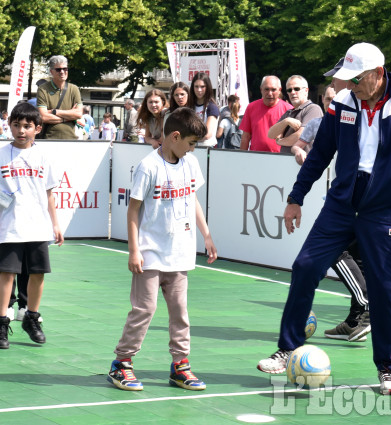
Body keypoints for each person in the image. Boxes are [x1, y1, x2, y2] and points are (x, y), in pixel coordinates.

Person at [256, 43, 391, 396]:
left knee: (383, 291)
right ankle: (287, 348)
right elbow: (321, 153)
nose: (350, 86)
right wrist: (296, 198)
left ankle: (388, 368)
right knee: (305, 266)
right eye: (347, 79)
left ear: (378, 74)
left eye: (356, 79)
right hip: (339, 206)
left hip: (383, 210)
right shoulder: (342, 103)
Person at [107, 107, 217, 392]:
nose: (193, 149)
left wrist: (206, 235)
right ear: (176, 136)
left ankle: (180, 366)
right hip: (150, 253)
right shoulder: (148, 167)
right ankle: (122, 363)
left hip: (180, 253)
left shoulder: (190, 163)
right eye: (191, 143)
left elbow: (192, 200)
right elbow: (133, 212)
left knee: (180, 311)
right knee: (145, 309)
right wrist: (134, 251)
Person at [288, 81, 370, 342]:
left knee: (336, 250)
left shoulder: (377, 113)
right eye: (329, 97)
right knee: (354, 256)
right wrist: (296, 194)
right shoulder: (332, 117)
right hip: (340, 198)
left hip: (363, 202)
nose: (333, 99)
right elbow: (313, 151)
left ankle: (368, 305)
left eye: (337, 94)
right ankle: (358, 316)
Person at [0, 102, 64, 349]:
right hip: (10, 227)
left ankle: (31, 317)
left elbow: (49, 193)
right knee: (7, 275)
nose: (21, 131)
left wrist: (56, 224)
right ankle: (1, 323)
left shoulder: (43, 156)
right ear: (10, 126)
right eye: (16, 125)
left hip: (38, 227)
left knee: (37, 275)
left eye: (27, 126)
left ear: (37, 128)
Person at [268, 75, 323, 154]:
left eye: (296, 89)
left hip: (304, 162)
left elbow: (301, 136)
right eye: (289, 90)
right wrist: (286, 121)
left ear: (306, 90)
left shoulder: (313, 109)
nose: (292, 92)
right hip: (286, 162)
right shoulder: (288, 113)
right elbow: (271, 134)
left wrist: (279, 141)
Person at [239, 76, 293, 152]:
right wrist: (242, 157)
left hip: (280, 158)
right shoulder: (251, 107)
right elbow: (246, 137)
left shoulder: (289, 109)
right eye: (266, 89)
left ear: (279, 90)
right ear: (261, 90)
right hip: (256, 157)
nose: (270, 93)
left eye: (273, 90)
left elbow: (293, 138)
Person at [36, 55, 84, 139]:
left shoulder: (74, 89)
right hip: (49, 139)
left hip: (71, 139)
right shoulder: (43, 89)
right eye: (58, 69)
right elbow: (44, 117)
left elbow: (78, 114)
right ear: (51, 71)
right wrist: (67, 117)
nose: (62, 72)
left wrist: (54, 112)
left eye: (65, 69)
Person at [291, 85, 336, 165]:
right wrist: (298, 150)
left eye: (335, 100)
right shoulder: (314, 123)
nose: (331, 103)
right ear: (322, 99)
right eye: (328, 99)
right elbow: (296, 146)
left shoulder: (351, 123)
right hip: (321, 172)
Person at [188, 72, 220, 147]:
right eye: (196, 86)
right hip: (191, 148)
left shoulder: (212, 107)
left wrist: (187, 138)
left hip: (207, 148)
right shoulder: (189, 106)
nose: (199, 90)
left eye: (202, 87)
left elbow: (207, 134)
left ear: (208, 87)